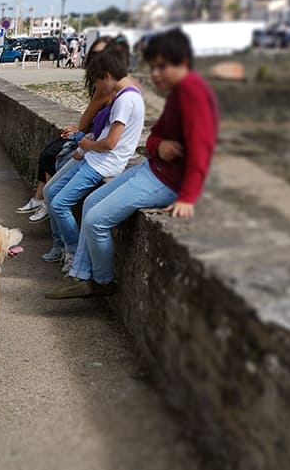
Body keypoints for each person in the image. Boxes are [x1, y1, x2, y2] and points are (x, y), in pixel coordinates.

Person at [47, 28, 219, 300]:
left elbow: (203, 149)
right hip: (151, 168)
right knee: (91, 204)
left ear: (183, 62)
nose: (156, 75)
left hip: (165, 180)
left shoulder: (194, 94)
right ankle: (81, 275)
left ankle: (102, 281)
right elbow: (154, 138)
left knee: (95, 221)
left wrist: (188, 196)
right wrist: (159, 146)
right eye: (153, 68)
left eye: (163, 67)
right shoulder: (177, 93)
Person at [42, 38, 145, 276]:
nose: (97, 88)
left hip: (102, 164)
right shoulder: (124, 96)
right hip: (92, 158)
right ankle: (65, 248)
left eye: (98, 82)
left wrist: (87, 144)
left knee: (59, 203)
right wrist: (84, 145)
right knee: (51, 193)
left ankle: (74, 253)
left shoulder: (125, 100)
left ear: (107, 76)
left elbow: (110, 143)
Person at [17, 36, 126, 227]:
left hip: (92, 143)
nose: (95, 60)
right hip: (89, 138)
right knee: (47, 154)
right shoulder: (105, 87)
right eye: (93, 55)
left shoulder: (112, 91)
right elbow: (87, 122)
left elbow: (90, 125)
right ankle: (40, 199)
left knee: (53, 157)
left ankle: (44, 202)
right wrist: (79, 129)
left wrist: (81, 129)